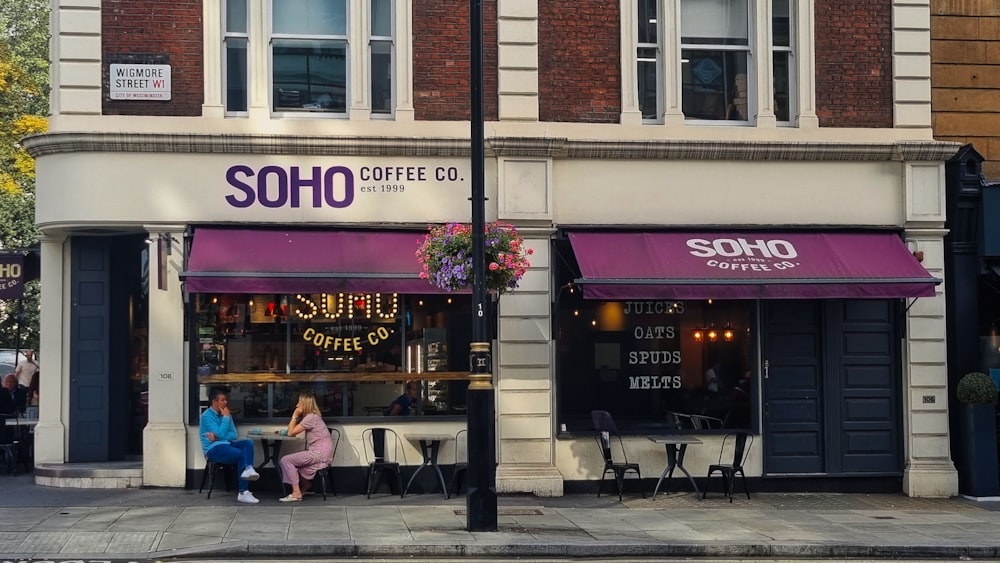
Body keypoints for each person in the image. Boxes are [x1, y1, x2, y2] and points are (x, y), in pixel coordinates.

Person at [199, 388, 260, 504]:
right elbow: (222, 433)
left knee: (248, 442)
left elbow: (233, 434)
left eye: (225, 400)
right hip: (213, 448)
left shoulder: (225, 413)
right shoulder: (206, 416)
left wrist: (217, 436)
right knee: (240, 454)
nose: (226, 402)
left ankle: (248, 468)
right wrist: (226, 419)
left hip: (227, 443)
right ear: (214, 401)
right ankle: (243, 492)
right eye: (222, 400)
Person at [277, 392, 334, 502]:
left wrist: (295, 415)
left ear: (305, 404)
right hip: (322, 452)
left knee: (286, 460)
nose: (296, 405)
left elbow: (290, 433)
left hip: (319, 453)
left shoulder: (310, 418)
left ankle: (296, 493)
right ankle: (306, 485)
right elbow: (292, 433)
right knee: (297, 464)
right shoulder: (313, 416)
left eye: (299, 403)